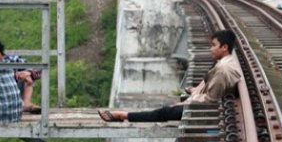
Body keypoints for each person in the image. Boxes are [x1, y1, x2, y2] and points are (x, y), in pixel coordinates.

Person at [98, 29, 241, 122]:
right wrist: (194, 92)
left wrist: (186, 102)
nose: (211, 49)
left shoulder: (222, 70)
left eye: (214, 45)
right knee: (170, 107)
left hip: (202, 110)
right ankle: (124, 115)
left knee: (164, 112)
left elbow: (210, 101)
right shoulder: (227, 63)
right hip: (203, 99)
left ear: (224, 47)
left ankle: (123, 115)